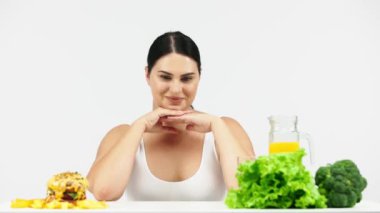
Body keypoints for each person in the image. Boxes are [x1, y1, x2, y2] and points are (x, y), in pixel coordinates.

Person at [87, 31, 255, 201]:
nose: (176, 89)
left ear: (199, 77)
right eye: (165, 77)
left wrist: (216, 125)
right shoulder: (123, 135)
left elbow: (248, 192)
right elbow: (103, 192)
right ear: (147, 75)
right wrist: (139, 126)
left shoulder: (225, 129)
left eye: (186, 79)